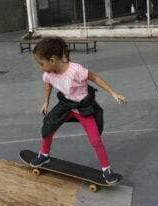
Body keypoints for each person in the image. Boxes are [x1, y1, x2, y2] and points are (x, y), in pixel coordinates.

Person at [30, 37, 127, 184]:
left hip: (83, 107)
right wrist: (46, 102)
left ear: (53, 60)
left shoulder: (76, 70)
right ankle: (44, 155)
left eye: (41, 63)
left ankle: (106, 170)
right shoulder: (48, 73)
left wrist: (113, 92)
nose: (40, 67)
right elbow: (48, 84)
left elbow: (94, 77)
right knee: (48, 127)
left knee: (95, 139)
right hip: (65, 105)